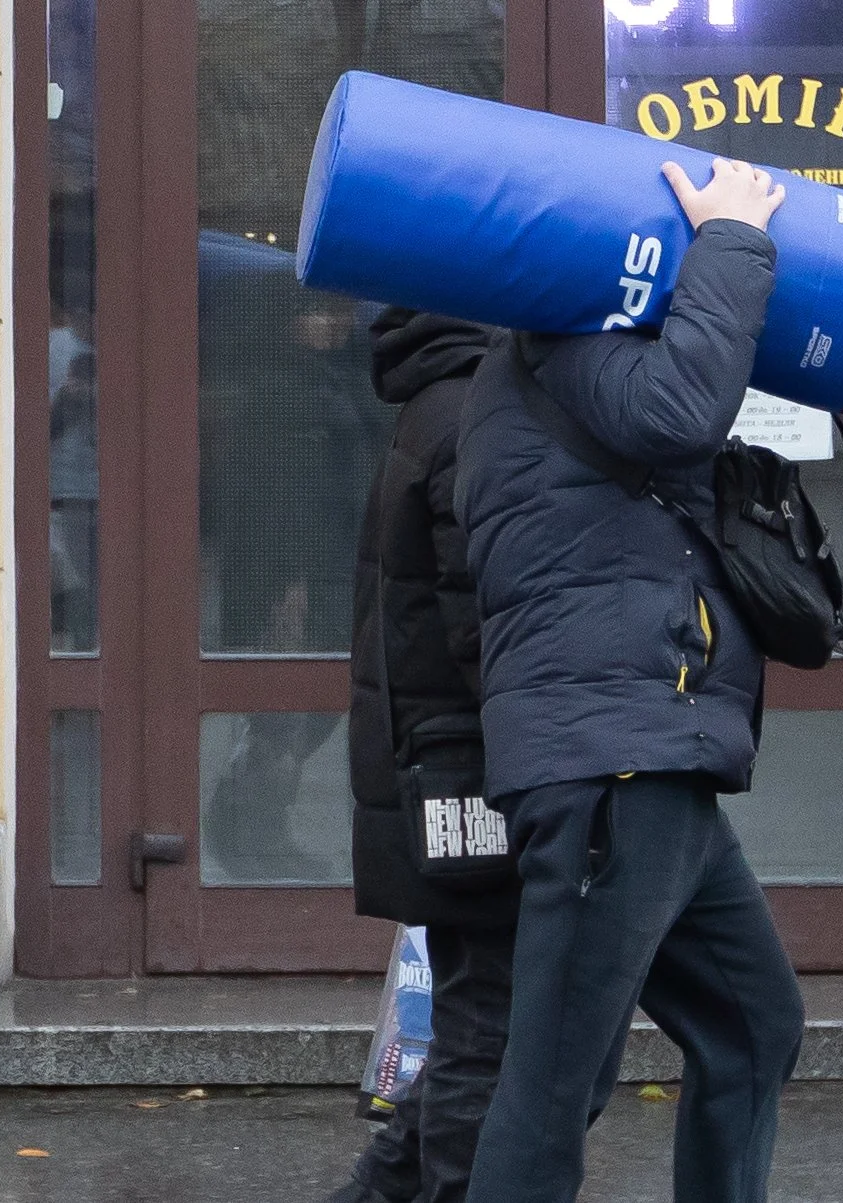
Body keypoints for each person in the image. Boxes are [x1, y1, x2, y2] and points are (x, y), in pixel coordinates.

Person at [453, 159, 804, 1203]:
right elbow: (679, 412)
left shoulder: (568, 362)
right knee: (554, 1085)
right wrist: (732, 242)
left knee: (752, 1025)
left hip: (659, 753)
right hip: (613, 761)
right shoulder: (557, 345)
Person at [332, 308, 519, 1203]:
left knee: (486, 1016)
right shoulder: (472, 410)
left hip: (439, 759)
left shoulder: (441, 397)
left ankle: (374, 1195)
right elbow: (486, 619)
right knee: (490, 1021)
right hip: (470, 766)